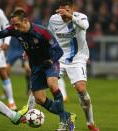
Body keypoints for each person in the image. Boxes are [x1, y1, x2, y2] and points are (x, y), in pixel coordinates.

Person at [0, 9, 76, 131]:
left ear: (25, 20)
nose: (14, 27)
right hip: (35, 66)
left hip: (50, 62)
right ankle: (68, 116)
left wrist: (51, 61)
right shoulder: (14, 30)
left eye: (17, 24)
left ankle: (63, 122)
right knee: (40, 99)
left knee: (52, 84)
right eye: (13, 24)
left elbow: (59, 51)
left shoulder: (42, 32)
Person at [48, 0, 99, 131]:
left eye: (66, 12)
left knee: (81, 90)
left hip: (77, 59)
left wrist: (70, 16)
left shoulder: (80, 17)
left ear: (72, 9)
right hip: (59, 58)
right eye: (61, 12)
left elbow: (85, 25)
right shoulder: (54, 19)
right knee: (52, 87)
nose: (63, 15)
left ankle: (90, 123)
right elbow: (48, 37)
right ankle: (64, 120)